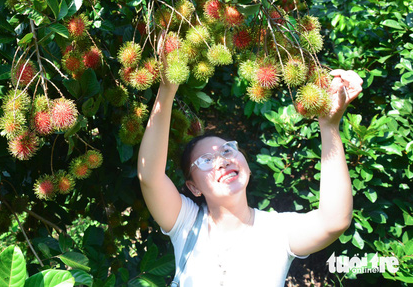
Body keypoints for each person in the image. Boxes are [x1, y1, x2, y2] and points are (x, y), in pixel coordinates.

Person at [137, 68, 363, 286]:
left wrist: (329, 126)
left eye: (227, 150)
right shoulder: (186, 224)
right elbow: (150, 176)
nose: (222, 160)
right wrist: (166, 89)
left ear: (246, 166)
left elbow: (334, 221)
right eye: (206, 160)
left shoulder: (276, 232)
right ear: (193, 187)